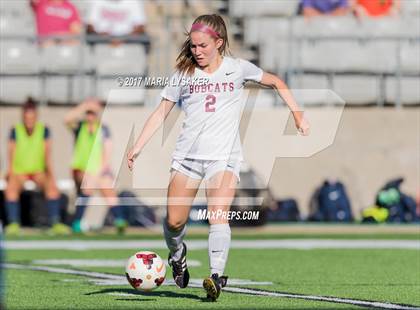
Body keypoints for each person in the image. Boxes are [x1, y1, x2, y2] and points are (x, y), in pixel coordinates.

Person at [127, 14, 309, 301]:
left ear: (219, 43)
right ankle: (177, 255)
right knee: (174, 222)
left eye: (202, 46)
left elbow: (276, 81)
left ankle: (216, 276)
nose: (196, 51)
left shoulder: (237, 69)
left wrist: (297, 114)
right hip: (187, 158)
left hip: (223, 158)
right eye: (193, 46)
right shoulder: (184, 75)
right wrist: (138, 145)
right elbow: (161, 112)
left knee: (218, 216)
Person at [4, 99, 70, 235]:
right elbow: (10, 154)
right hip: (20, 172)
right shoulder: (15, 130)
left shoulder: (44, 130)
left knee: (51, 187)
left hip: (38, 171)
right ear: (23, 117)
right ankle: (13, 223)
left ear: (36, 117)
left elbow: (47, 156)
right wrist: (10, 172)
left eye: (31, 118)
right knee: (11, 188)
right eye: (26, 118)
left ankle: (55, 222)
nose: (29, 121)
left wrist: (51, 176)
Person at [64, 99, 127, 234]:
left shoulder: (103, 129)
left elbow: (107, 152)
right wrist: (84, 105)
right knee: (88, 184)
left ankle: (120, 221)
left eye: (93, 113)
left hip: (97, 170)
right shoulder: (80, 126)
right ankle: (77, 222)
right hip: (80, 169)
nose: (90, 116)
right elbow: (67, 119)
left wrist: (101, 171)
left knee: (107, 186)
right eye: (88, 113)